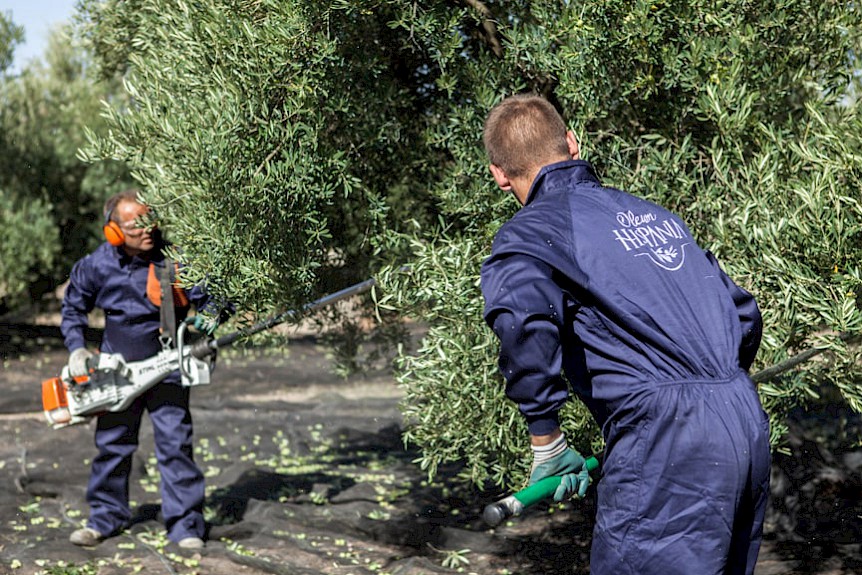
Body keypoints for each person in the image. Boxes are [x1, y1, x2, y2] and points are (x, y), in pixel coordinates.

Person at [480, 94, 769, 575]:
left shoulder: (531, 232)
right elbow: (743, 314)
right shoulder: (657, 217)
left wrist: (547, 442)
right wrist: (714, 395)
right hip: (744, 423)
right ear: (573, 143)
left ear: (500, 174)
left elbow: (522, 324)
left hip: (667, 443)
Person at [61, 189, 225, 550]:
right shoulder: (97, 266)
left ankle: (185, 527)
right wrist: (76, 350)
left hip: (167, 369)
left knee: (175, 445)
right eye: (136, 226)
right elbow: (73, 310)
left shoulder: (173, 260)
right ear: (114, 231)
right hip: (116, 374)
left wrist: (211, 316)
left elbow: (211, 299)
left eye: (150, 222)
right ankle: (105, 517)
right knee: (113, 445)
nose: (147, 231)